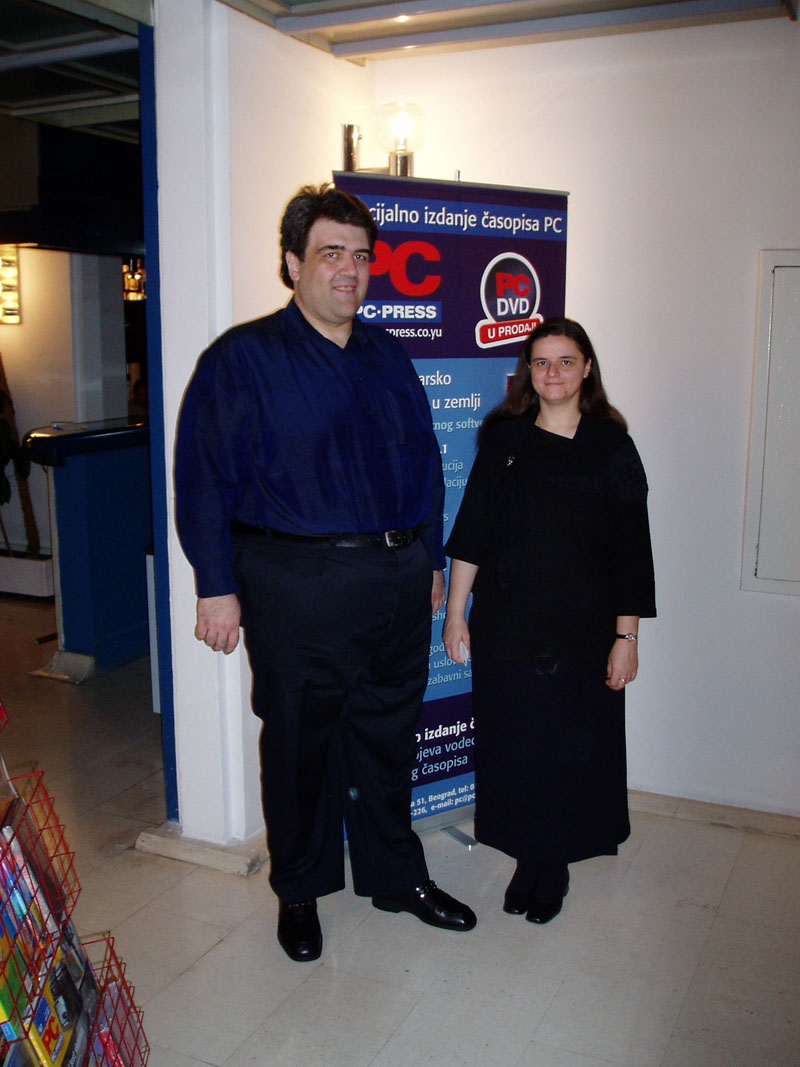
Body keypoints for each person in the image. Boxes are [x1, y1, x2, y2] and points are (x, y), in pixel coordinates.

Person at [174, 183, 476, 963]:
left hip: (396, 580)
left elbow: (424, 462)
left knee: (387, 738)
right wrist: (215, 585)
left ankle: (394, 875)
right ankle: (301, 889)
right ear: (293, 263)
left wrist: (429, 558)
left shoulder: (387, 354)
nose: (350, 270)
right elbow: (203, 478)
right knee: (300, 746)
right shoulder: (242, 360)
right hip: (297, 584)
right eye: (331, 253)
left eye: (361, 256)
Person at [443, 317, 655, 924]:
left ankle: (553, 861)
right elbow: (473, 530)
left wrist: (626, 637)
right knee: (515, 746)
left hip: (583, 631)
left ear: (587, 368)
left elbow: (632, 552)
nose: (553, 373)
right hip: (508, 623)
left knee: (569, 749)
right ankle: (529, 855)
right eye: (541, 362)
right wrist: (456, 614)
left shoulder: (612, 446)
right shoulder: (503, 438)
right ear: (527, 373)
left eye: (566, 361)